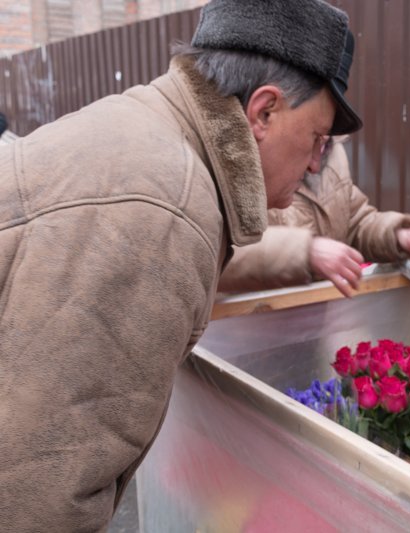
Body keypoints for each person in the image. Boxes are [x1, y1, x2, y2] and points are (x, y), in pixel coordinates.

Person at [0, 0, 362, 530]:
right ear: (263, 112)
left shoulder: (150, 135)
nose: (315, 164)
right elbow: (43, 495)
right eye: (316, 139)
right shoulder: (163, 212)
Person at [218, 136, 410, 297]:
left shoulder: (331, 147)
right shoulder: (232, 152)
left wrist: (395, 235)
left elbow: (353, 219)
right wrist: (304, 251)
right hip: (243, 331)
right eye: (312, 138)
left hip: (313, 325)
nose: (315, 165)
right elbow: (212, 248)